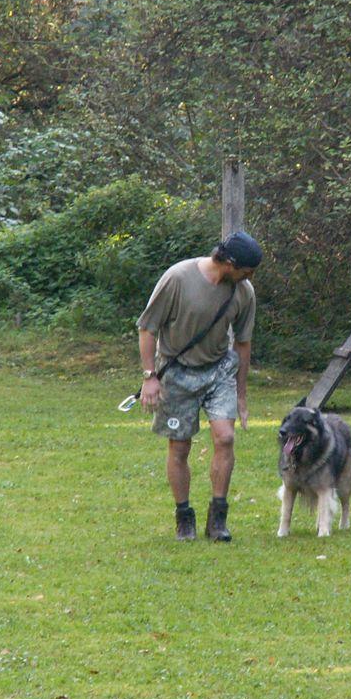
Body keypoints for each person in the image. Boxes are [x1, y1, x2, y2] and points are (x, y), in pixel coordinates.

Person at [136, 231, 262, 542]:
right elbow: (147, 328)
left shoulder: (244, 292)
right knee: (180, 447)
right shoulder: (178, 278)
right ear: (229, 263)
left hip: (219, 370)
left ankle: (217, 519)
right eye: (247, 271)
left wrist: (241, 395)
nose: (250, 277)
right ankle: (184, 518)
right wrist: (150, 377)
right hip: (177, 371)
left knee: (226, 438)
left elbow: (243, 343)